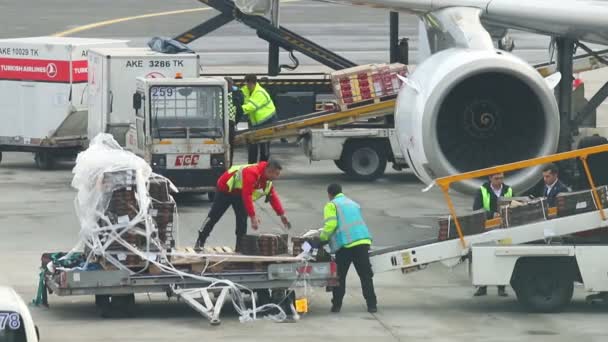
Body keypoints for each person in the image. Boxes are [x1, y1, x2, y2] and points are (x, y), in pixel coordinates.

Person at [195, 159, 291, 251]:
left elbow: (272, 196)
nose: (278, 177)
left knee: (242, 221)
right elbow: (247, 195)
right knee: (213, 217)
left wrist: (282, 215)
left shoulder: (267, 180)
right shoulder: (252, 172)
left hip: (239, 193)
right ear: (270, 171)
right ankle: (200, 241)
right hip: (225, 189)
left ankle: (240, 247)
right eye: (277, 174)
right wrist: (253, 217)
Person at [318, 183, 377, 313]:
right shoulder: (353, 203)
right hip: (363, 242)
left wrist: (321, 239)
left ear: (329, 194)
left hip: (346, 245)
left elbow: (331, 225)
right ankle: (372, 305)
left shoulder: (331, 205)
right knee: (365, 276)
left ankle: (337, 305)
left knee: (339, 277)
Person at [472, 171, 512, 297]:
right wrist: (491, 214)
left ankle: (501, 287)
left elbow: (515, 204)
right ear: (490, 178)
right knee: (484, 258)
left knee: (503, 257)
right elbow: (476, 209)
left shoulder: (508, 189)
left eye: (501, 178)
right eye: (496, 178)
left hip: (503, 228)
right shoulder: (482, 190)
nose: (500, 181)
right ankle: (482, 287)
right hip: (487, 228)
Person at [241, 74, 277, 164]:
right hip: (255, 122)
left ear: (253, 83)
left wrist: (237, 109)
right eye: (246, 84)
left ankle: (263, 166)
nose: (247, 86)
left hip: (266, 121)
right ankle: (252, 166)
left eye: (248, 84)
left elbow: (251, 106)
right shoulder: (247, 89)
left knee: (264, 145)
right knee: (252, 144)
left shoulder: (259, 93)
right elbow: (241, 92)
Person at [224, 77, 244, 166]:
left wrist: (234, 122)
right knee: (229, 147)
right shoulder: (236, 94)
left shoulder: (230, 95)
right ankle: (229, 164)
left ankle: (228, 165)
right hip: (229, 124)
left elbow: (239, 111)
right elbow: (240, 111)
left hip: (227, 124)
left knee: (228, 147)